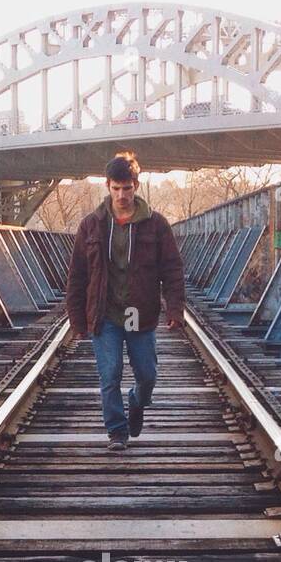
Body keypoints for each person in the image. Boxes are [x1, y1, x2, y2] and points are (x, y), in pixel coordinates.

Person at [65, 153, 185, 450]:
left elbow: (172, 269)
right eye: (116, 188)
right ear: (107, 186)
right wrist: (77, 320)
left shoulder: (156, 225)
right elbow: (77, 275)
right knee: (111, 374)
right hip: (105, 314)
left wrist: (174, 309)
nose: (121, 195)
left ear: (136, 186)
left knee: (147, 376)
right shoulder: (91, 226)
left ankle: (136, 401)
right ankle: (117, 432)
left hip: (139, 312)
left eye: (127, 188)